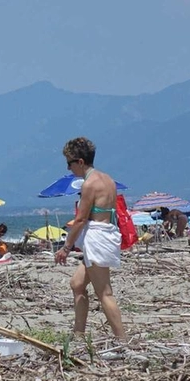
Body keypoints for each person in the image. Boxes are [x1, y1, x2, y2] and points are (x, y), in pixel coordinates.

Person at [54, 137, 127, 342]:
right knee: (77, 284)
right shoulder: (108, 179)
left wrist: (66, 248)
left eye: (69, 163)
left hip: (97, 237)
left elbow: (80, 219)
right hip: (106, 232)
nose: (69, 169)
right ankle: (78, 335)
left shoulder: (90, 184)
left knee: (105, 293)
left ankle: (123, 341)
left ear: (80, 162)